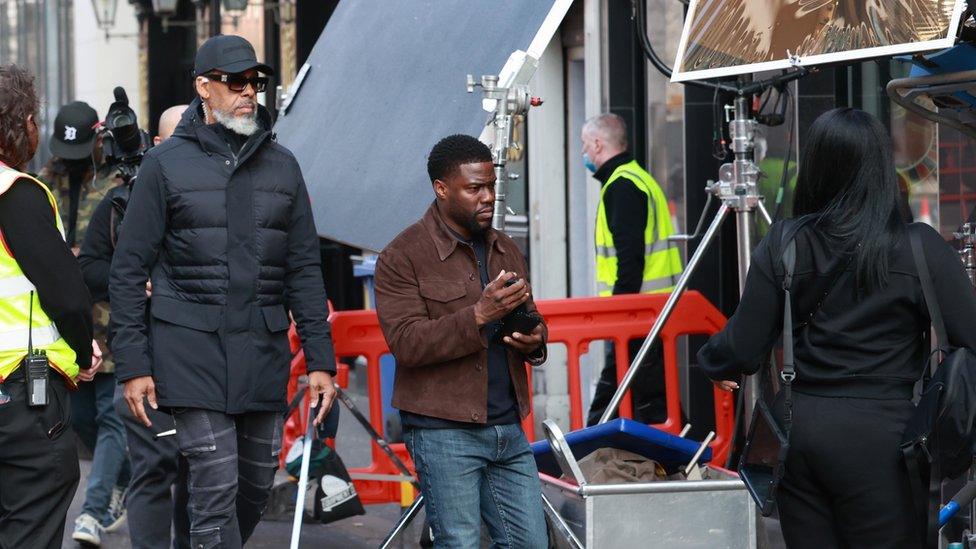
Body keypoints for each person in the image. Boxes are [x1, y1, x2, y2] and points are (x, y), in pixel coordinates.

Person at [698, 108, 976, 547]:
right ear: (882, 170)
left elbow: (743, 347)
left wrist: (711, 361)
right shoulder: (920, 248)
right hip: (889, 438)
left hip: (801, 435)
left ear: (818, 168)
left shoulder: (785, 242)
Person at [109, 35, 337, 549]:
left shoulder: (284, 165)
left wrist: (322, 360)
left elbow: (303, 267)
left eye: (254, 82)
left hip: (261, 353)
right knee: (215, 486)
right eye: (235, 82)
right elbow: (127, 271)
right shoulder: (164, 167)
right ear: (203, 88)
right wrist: (134, 367)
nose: (248, 92)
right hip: (188, 354)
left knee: (253, 489)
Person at [374, 134, 550, 547]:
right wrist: (477, 316)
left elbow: (531, 316)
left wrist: (535, 340)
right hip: (443, 431)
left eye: (490, 184)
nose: (488, 196)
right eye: (474, 188)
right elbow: (406, 343)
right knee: (461, 543)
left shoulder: (504, 246)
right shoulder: (402, 255)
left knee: (532, 544)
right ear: (441, 189)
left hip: (508, 426)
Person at [0, 63, 101, 548]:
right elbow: (67, 296)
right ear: (17, 124)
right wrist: (84, 353)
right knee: (34, 511)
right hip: (20, 393)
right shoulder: (18, 195)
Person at [81, 104, 191, 549]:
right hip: (144, 351)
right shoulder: (119, 200)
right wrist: (134, 281)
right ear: (158, 145)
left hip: (207, 357)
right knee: (155, 467)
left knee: (203, 471)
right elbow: (91, 267)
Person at [39, 100, 131, 547]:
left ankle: (93, 512)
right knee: (81, 416)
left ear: (99, 137)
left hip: (111, 315)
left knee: (112, 415)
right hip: (64, 320)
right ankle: (122, 477)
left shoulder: (119, 178)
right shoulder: (44, 179)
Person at [580, 113, 683, 426]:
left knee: (625, 395)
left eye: (584, 145)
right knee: (652, 396)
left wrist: (619, 314)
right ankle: (688, 459)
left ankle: (585, 459)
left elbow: (630, 261)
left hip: (636, 314)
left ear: (598, 144)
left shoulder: (622, 186)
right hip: (649, 312)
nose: (583, 153)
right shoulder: (635, 178)